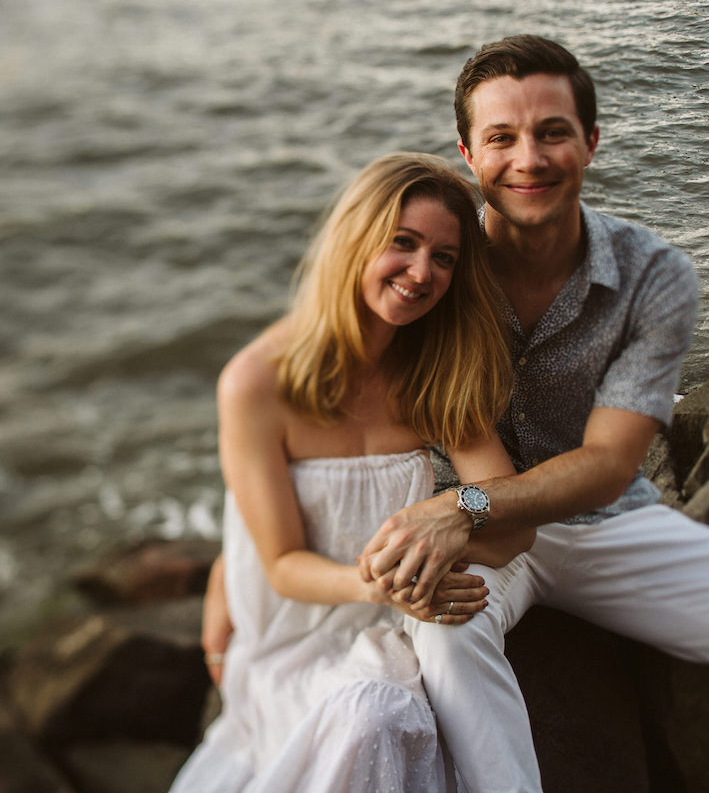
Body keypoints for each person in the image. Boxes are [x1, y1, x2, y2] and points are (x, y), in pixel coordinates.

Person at [354, 36, 709, 793]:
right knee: (446, 642)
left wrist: (463, 503)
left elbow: (611, 467)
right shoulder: (439, 269)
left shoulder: (654, 275)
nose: (529, 159)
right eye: (501, 138)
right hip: (478, 539)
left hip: (602, 523)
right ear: (468, 153)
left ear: (591, 141)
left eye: (552, 131)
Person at [171, 152, 533, 793]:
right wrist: (380, 585)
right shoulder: (258, 382)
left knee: (371, 715)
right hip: (293, 634)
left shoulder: (434, 369)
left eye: (444, 257)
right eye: (404, 243)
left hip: (381, 632)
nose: (422, 273)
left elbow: (512, 518)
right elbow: (281, 560)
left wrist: (455, 523)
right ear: (355, 237)